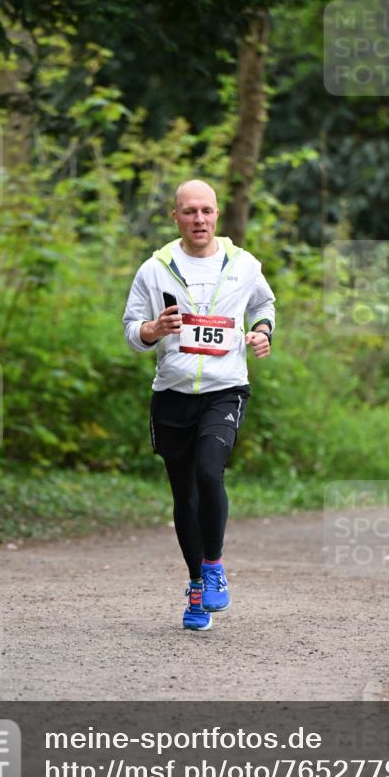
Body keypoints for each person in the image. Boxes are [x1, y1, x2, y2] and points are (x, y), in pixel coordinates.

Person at [123, 179, 275, 631]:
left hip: (224, 388)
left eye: (206, 211)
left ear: (217, 214)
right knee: (183, 494)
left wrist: (262, 331)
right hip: (171, 393)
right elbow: (132, 329)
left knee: (210, 472)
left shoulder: (244, 265)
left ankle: (213, 565)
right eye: (189, 211)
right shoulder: (155, 269)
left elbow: (264, 304)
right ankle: (195, 585)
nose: (199, 219)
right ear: (176, 218)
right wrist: (152, 329)